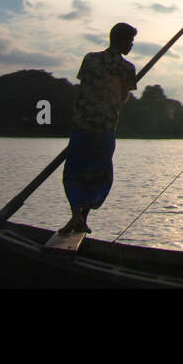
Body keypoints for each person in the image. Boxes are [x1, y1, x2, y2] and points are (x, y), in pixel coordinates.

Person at [60, 22, 137, 235]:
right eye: (130, 42)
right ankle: (80, 218)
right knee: (98, 176)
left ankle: (77, 217)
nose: (131, 46)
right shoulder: (127, 68)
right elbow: (122, 97)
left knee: (74, 174)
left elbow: (84, 86)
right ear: (120, 41)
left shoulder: (90, 59)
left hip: (82, 127)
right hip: (103, 131)